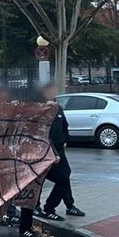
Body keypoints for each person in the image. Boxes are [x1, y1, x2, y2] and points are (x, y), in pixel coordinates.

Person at [36, 84, 85, 220]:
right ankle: (37, 206)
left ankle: (66, 205)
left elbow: (65, 126)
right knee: (40, 179)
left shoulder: (58, 109)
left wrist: (65, 139)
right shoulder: (40, 110)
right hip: (45, 152)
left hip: (59, 150)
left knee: (65, 176)